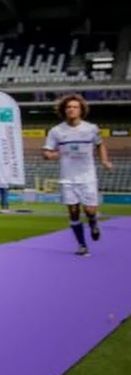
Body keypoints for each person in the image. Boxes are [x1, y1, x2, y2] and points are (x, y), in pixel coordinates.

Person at [43, 94, 113, 257]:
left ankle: (93, 221)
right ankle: (82, 245)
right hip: (68, 178)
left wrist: (104, 161)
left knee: (89, 210)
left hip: (87, 176)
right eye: (68, 107)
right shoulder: (56, 131)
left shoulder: (91, 128)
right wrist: (51, 155)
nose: (71, 110)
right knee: (73, 213)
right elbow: (47, 152)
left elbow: (100, 144)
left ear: (81, 110)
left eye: (75, 107)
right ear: (63, 110)